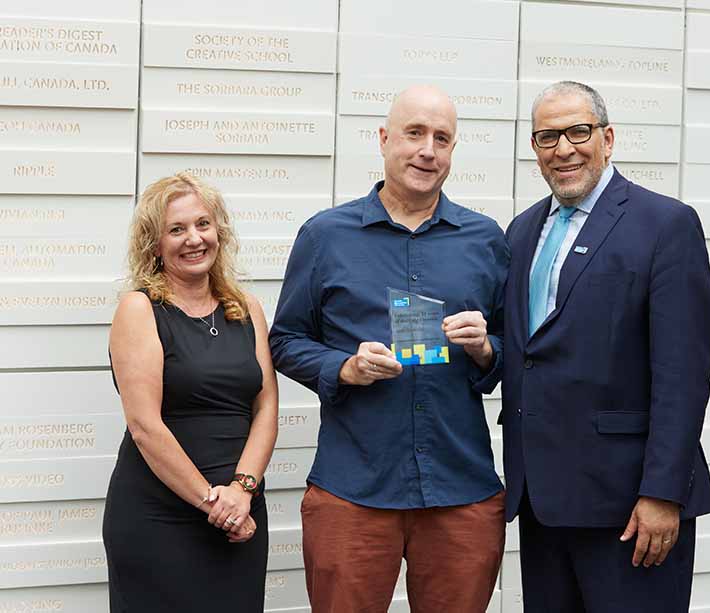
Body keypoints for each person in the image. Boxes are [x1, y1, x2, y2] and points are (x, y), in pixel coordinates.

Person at [269, 85, 507, 613]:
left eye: (441, 139)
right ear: (383, 139)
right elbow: (284, 341)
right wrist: (344, 368)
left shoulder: (486, 240)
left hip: (460, 488)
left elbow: (517, 350)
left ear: (453, 150)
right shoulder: (325, 236)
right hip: (354, 487)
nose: (427, 150)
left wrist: (487, 349)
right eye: (414, 133)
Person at [501, 81, 710, 612]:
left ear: (608, 138)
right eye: (547, 137)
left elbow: (683, 376)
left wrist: (663, 493)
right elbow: (525, 352)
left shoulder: (665, 224)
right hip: (542, 503)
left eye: (578, 131)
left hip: (630, 508)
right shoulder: (521, 232)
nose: (564, 149)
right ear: (534, 148)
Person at [103, 173, 278, 612]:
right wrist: (214, 503)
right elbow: (145, 427)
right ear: (154, 245)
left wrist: (242, 490)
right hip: (160, 519)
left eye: (203, 224)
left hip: (241, 511)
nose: (194, 239)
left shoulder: (247, 308)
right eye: (176, 229)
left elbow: (267, 407)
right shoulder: (140, 309)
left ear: (219, 231)